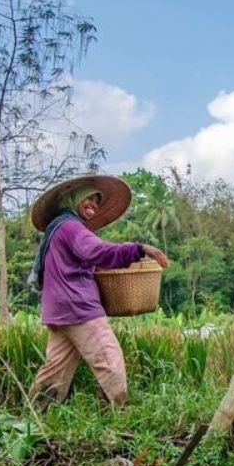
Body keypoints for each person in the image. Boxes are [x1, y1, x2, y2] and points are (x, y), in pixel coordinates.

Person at [28, 174, 170, 409]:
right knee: (109, 360)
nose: (93, 204)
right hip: (78, 307)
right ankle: (116, 413)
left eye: (97, 201)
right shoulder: (71, 227)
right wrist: (139, 249)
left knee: (55, 371)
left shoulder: (58, 228)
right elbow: (98, 251)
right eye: (88, 199)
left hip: (58, 310)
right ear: (74, 199)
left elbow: (88, 256)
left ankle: (34, 418)